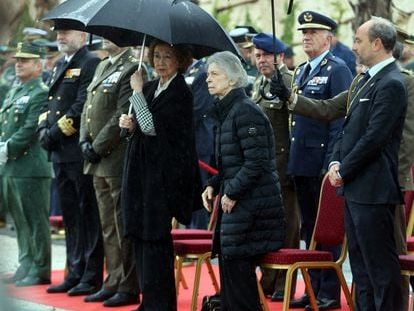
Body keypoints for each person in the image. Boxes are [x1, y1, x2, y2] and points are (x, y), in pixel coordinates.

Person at [275, 25, 414, 311]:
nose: (352, 46)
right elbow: (343, 124)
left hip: (375, 188)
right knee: (362, 270)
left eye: (358, 40)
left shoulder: (393, 83)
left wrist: (344, 169)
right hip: (354, 187)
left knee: (381, 270)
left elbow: (375, 137)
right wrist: (336, 161)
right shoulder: (362, 80)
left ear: (376, 44)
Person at [119, 39, 201, 311]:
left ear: (180, 61)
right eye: (156, 56)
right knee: (139, 238)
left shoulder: (180, 92)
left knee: (155, 240)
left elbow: (153, 128)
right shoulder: (153, 87)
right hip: (142, 175)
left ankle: (160, 304)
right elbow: (140, 128)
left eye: (167, 57)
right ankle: (147, 300)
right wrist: (128, 125)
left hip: (162, 180)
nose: (160, 62)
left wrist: (137, 94)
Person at [202, 51, 285, 310]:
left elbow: (257, 162)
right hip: (241, 208)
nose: (208, 80)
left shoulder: (245, 112)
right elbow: (232, 164)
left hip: (254, 209)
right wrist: (214, 185)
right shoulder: (228, 111)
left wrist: (232, 192)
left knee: (238, 273)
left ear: (233, 78)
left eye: (215, 74)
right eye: (207, 75)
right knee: (231, 268)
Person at [288, 10, 353, 310]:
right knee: (308, 230)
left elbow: (338, 120)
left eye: (313, 32)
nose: (306, 37)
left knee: (326, 232)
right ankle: (312, 288)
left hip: (321, 162)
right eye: (303, 32)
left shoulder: (337, 69)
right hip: (301, 160)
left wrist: (332, 163)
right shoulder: (301, 70)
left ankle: (328, 290)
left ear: (329, 38)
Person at [38, 22, 104, 295]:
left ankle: (90, 275)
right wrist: (42, 128)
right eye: (59, 33)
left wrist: (54, 133)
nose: (61, 37)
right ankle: (74, 271)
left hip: (77, 151)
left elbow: (80, 106)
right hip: (59, 153)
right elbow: (48, 102)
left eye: (66, 32)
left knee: (87, 215)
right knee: (70, 217)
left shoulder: (89, 62)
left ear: (82, 35)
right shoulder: (59, 64)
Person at [79, 39, 139, 307]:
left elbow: (121, 112)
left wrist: (97, 145)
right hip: (95, 159)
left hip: (114, 157)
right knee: (106, 226)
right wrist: (83, 140)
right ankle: (112, 279)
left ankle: (127, 283)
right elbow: (87, 108)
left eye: (113, 35)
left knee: (120, 223)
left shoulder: (131, 68)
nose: (105, 38)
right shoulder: (103, 65)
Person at [250, 32, 300, 301]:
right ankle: (268, 278)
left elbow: (296, 125)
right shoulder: (259, 83)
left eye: (266, 55)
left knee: (287, 227)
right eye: (257, 56)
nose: (261, 61)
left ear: (279, 56)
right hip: (263, 169)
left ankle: (285, 283)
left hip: (283, 166)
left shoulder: (289, 81)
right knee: (267, 227)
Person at [0, 42, 52, 286]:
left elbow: (30, 127)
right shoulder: (15, 90)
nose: (19, 63)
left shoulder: (40, 91)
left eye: (26, 60)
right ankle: (26, 262)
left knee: (35, 221)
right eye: (18, 59)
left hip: (31, 166)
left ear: (39, 65)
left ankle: (41, 268)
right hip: (11, 166)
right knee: (19, 220)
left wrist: (7, 147)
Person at [185, 58, 215, 229]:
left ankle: (199, 233)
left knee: (199, 193)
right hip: (191, 143)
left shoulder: (203, 73)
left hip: (200, 142)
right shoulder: (190, 72)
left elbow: (198, 108)